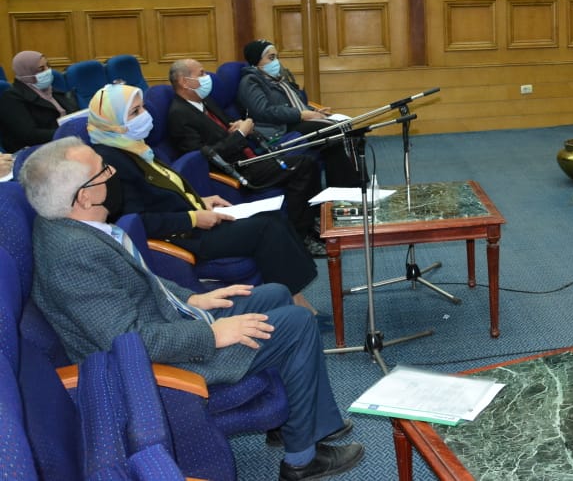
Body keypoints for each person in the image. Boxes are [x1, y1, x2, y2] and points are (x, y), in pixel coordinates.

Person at [20, 138, 364, 480]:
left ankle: (299, 423)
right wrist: (212, 334)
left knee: (274, 294)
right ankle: (301, 460)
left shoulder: (79, 227)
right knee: (296, 323)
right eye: (104, 170)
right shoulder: (73, 254)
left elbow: (141, 283)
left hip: (166, 323)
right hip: (154, 363)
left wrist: (191, 299)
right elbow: (129, 341)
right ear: (84, 196)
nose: (113, 174)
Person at [85, 82, 322, 315]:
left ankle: (294, 297)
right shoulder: (112, 162)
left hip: (191, 219)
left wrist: (199, 199)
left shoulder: (133, 146)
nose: (145, 115)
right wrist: (193, 217)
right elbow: (138, 221)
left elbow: (165, 191)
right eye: (135, 112)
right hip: (180, 235)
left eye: (143, 107)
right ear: (112, 123)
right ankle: (295, 302)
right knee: (267, 227)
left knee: (273, 217)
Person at [167, 59, 326, 257]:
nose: (207, 77)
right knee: (303, 166)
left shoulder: (204, 101)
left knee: (307, 160)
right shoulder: (179, 114)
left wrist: (240, 126)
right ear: (184, 82)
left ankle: (311, 223)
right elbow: (204, 158)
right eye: (201, 74)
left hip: (248, 155)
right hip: (234, 171)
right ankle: (301, 237)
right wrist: (240, 134)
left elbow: (227, 127)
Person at [236, 40, 362, 188]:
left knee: (344, 127)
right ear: (256, 60)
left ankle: (354, 184)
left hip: (294, 122)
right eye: (271, 58)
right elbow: (263, 111)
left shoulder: (278, 79)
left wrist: (314, 111)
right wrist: (301, 114)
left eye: (276, 57)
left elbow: (294, 103)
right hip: (278, 132)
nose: (276, 62)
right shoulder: (250, 81)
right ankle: (348, 187)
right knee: (332, 131)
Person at [0, 50, 78, 151]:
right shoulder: (11, 98)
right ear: (26, 71)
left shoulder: (50, 90)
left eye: (47, 66)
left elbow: (72, 112)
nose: (48, 71)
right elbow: (29, 135)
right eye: (41, 69)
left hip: (65, 142)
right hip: (36, 150)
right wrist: (64, 132)